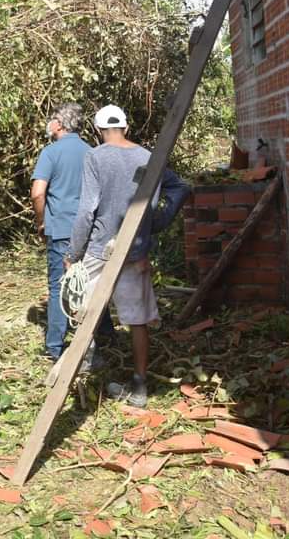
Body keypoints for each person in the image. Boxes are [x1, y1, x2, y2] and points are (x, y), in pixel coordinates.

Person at [65, 104, 190, 407]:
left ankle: (84, 373)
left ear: (97, 131)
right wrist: (156, 223)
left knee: (83, 314)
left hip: (99, 250)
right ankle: (140, 387)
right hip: (135, 251)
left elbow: (87, 210)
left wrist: (73, 252)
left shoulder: (95, 157)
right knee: (137, 322)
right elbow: (180, 187)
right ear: (126, 128)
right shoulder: (149, 158)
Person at [30, 103, 115, 363]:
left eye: (52, 119)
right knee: (90, 282)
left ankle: (55, 346)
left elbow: (37, 192)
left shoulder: (51, 153)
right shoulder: (92, 152)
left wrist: (41, 221)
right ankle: (106, 335)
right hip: (90, 230)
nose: (49, 124)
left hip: (61, 229)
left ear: (60, 124)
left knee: (60, 286)